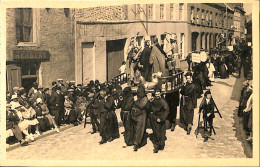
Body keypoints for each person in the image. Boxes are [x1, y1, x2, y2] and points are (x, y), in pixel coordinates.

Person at [148, 87, 169, 153]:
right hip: (155, 118)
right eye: (156, 94)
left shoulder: (163, 101)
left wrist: (162, 118)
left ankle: (160, 145)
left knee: (161, 132)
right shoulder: (154, 100)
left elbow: (167, 110)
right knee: (156, 132)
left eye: (158, 94)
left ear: (160, 94)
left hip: (160, 118)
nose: (157, 95)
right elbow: (150, 107)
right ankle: (157, 145)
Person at [131, 85, 149, 151]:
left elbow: (141, 105)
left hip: (142, 114)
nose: (138, 93)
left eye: (139, 92)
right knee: (137, 129)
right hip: (137, 114)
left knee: (140, 129)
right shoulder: (139, 97)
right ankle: (139, 142)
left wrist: (135, 101)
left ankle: (137, 143)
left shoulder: (145, 98)